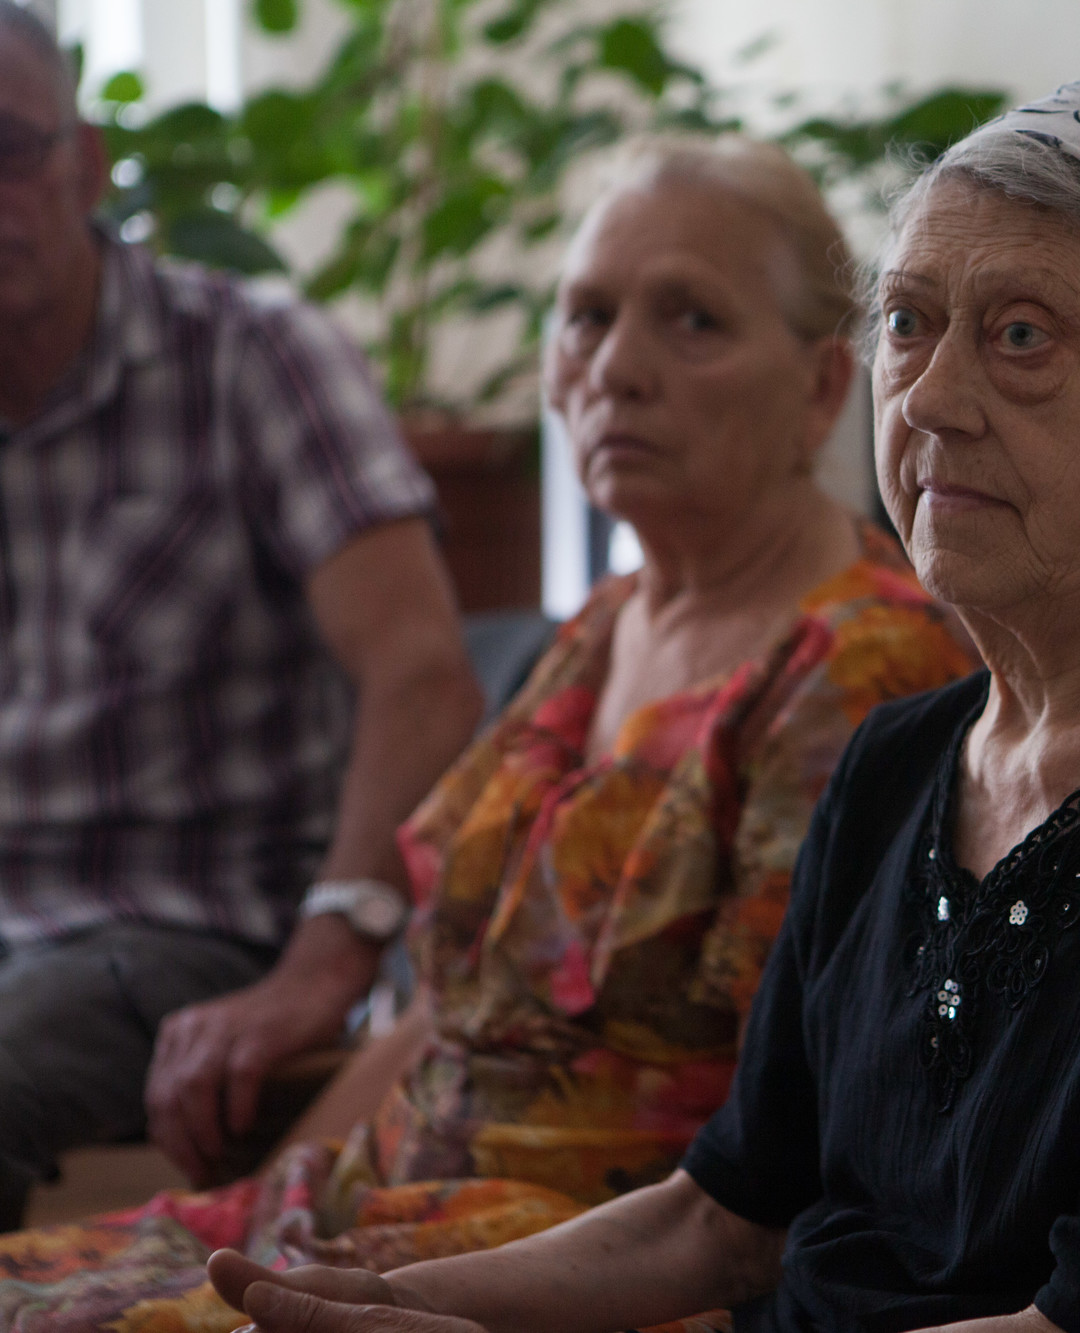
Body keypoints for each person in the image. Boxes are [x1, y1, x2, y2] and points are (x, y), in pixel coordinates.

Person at [202, 68, 1080, 1333]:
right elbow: (727, 1218)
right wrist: (406, 1301)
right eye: (908, 321)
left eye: (1021, 336)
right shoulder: (903, 762)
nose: (933, 397)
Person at [0, 133, 974, 1330]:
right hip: (384, 1202)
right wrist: (269, 1204)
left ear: (824, 387)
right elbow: (447, 1008)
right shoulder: (599, 631)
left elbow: (789, 1149)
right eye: (585, 317)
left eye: (692, 322)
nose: (615, 367)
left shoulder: (864, 664)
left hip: (573, 1259)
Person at [0, 1, 485, 1224]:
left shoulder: (252, 359)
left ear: (81, 161)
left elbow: (423, 673)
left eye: (7, 147)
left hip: (177, 932)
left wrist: (328, 959)